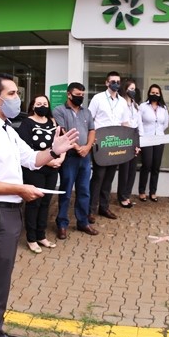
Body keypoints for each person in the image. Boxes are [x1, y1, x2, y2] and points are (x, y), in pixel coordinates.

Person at [0, 74, 78, 337]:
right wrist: (19, 189)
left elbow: (30, 159)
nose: (17, 98)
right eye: (12, 93)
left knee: (1, 277)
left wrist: (55, 150)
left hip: (9, 211)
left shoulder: (7, 129)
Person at [17, 94, 63, 253]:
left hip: (52, 169)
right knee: (34, 203)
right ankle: (31, 238)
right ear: (33, 106)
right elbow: (27, 150)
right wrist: (50, 160)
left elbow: (61, 143)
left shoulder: (53, 122)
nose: (42, 105)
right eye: (39, 103)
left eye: (45, 103)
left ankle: (41, 235)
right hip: (35, 170)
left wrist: (60, 160)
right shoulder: (27, 123)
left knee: (45, 202)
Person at [53, 83, 97, 239]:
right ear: (69, 94)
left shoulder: (87, 112)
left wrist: (87, 147)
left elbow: (92, 130)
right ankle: (62, 224)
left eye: (83, 94)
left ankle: (83, 222)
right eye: (78, 94)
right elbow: (63, 132)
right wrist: (78, 147)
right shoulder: (59, 110)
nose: (81, 97)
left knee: (84, 191)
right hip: (70, 157)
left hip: (85, 157)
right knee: (66, 190)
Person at [88, 71, 130, 221]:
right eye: (113, 81)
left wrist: (129, 141)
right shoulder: (98, 98)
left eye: (118, 81)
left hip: (115, 144)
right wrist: (91, 139)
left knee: (110, 177)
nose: (116, 84)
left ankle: (104, 208)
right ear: (107, 83)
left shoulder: (123, 102)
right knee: (98, 176)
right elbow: (89, 119)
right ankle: (90, 209)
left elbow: (125, 123)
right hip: (101, 143)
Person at [138, 83, 169, 202]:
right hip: (146, 138)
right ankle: (142, 191)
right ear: (149, 93)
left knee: (156, 166)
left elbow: (165, 124)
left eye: (157, 93)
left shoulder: (164, 108)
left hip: (159, 139)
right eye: (152, 93)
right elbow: (139, 122)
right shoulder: (143, 106)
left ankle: (153, 192)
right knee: (146, 164)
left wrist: (159, 132)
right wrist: (142, 135)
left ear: (160, 94)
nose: (154, 95)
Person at [116, 79, 142, 208]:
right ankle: (122, 197)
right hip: (124, 139)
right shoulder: (121, 104)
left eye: (134, 89)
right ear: (125, 90)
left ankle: (127, 194)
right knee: (124, 170)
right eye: (130, 89)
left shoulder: (136, 105)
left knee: (132, 169)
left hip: (134, 138)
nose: (133, 91)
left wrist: (139, 142)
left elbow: (139, 124)